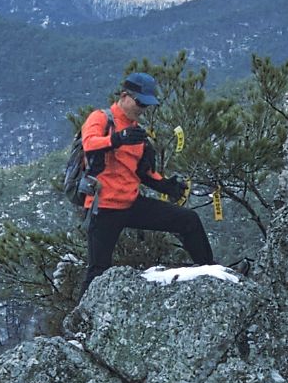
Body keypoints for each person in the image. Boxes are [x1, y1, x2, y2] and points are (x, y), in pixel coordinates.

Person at [77, 72, 214, 297]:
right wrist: (117, 139)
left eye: (146, 105)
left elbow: (142, 172)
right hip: (103, 207)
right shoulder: (101, 118)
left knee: (188, 220)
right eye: (140, 103)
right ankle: (81, 318)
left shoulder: (136, 132)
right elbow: (89, 143)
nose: (142, 109)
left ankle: (212, 273)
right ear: (124, 96)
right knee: (98, 271)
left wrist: (166, 185)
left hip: (131, 204)